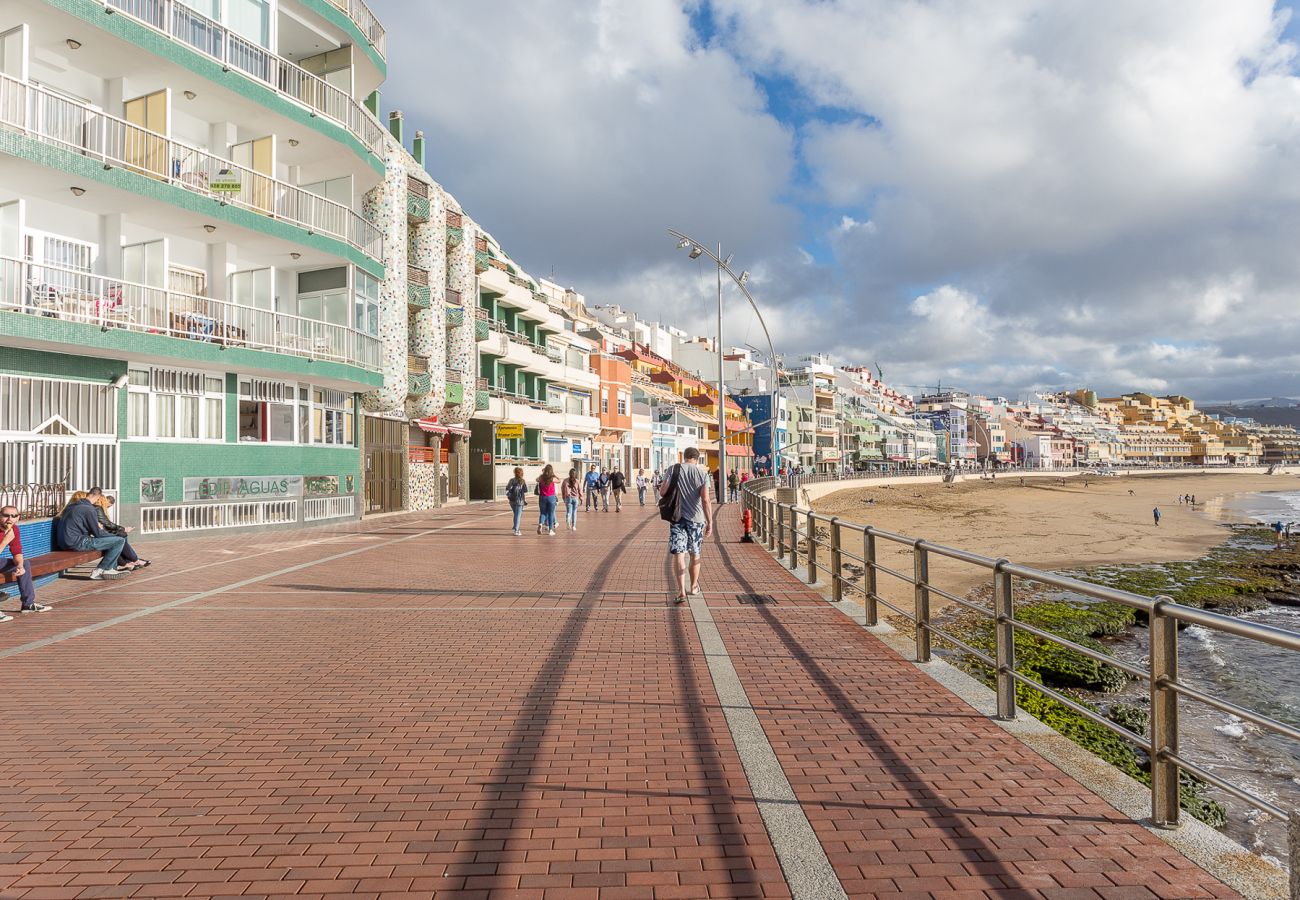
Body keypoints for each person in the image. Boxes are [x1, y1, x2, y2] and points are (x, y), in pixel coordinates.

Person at [660, 447, 713, 603]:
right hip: (696, 519)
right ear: (697, 458)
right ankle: (694, 586)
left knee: (679, 554)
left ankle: (681, 591)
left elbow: (663, 492)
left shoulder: (673, 469)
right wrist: (710, 522)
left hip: (676, 518)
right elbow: (705, 499)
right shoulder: (702, 474)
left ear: (684, 457)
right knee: (695, 553)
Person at [0, 505, 52, 620]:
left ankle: (28, 604)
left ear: (18, 518)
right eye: (6, 516)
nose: (10, 519)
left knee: (24, 564)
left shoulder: (14, 530)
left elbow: (17, 551)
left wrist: (19, 566)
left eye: (14, 516)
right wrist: (5, 541)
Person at [58, 491, 125, 579]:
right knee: (119, 541)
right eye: (98, 499)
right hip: (77, 543)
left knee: (113, 541)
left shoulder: (71, 507)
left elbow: (79, 526)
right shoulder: (88, 509)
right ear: (97, 497)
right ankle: (101, 570)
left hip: (64, 543)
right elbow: (98, 534)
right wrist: (109, 533)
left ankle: (111, 568)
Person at [92, 495, 150, 571]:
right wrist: (123, 529)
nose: (107, 507)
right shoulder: (97, 508)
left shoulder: (95, 509)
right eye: (107, 505)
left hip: (98, 534)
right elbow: (106, 524)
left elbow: (105, 525)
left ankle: (128, 561)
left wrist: (120, 530)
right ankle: (132, 560)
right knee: (119, 539)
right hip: (94, 537)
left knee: (122, 536)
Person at [536, 464, 558, 536]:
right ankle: (550, 530)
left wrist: (542, 475)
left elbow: (537, 479)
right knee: (551, 514)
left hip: (542, 497)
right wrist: (553, 475)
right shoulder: (552, 478)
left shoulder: (541, 477)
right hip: (551, 497)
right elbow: (559, 480)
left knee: (543, 513)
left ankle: (540, 524)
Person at [505, 467, 528, 536]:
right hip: (520, 501)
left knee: (515, 514)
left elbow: (507, 488)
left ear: (515, 473)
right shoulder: (522, 481)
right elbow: (525, 490)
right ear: (522, 473)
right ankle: (516, 530)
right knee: (518, 515)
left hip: (512, 500)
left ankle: (515, 526)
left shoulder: (511, 480)